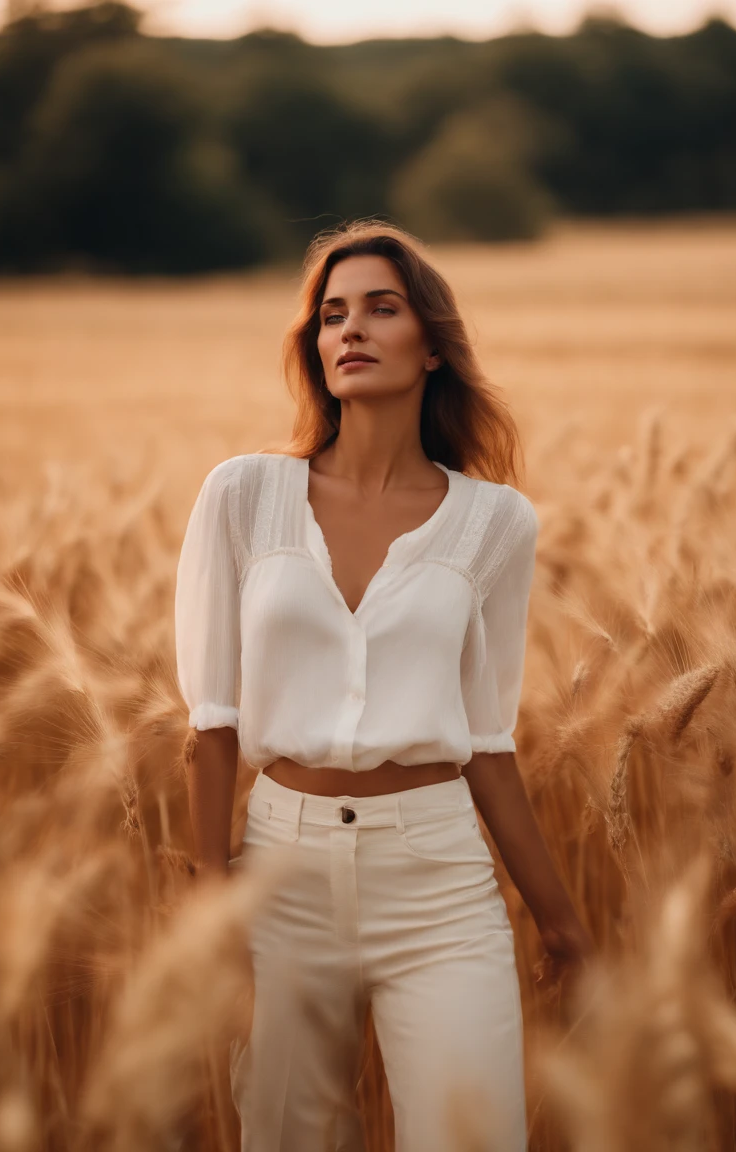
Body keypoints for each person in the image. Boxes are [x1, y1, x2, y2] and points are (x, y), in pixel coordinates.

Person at [174, 220, 594, 1152]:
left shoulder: (495, 524)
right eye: (331, 315)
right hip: (281, 873)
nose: (349, 331)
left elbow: (486, 741)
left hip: (439, 878)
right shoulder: (242, 496)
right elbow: (212, 719)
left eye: (379, 308)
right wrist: (212, 891)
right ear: (315, 348)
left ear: (432, 346)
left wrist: (562, 922)